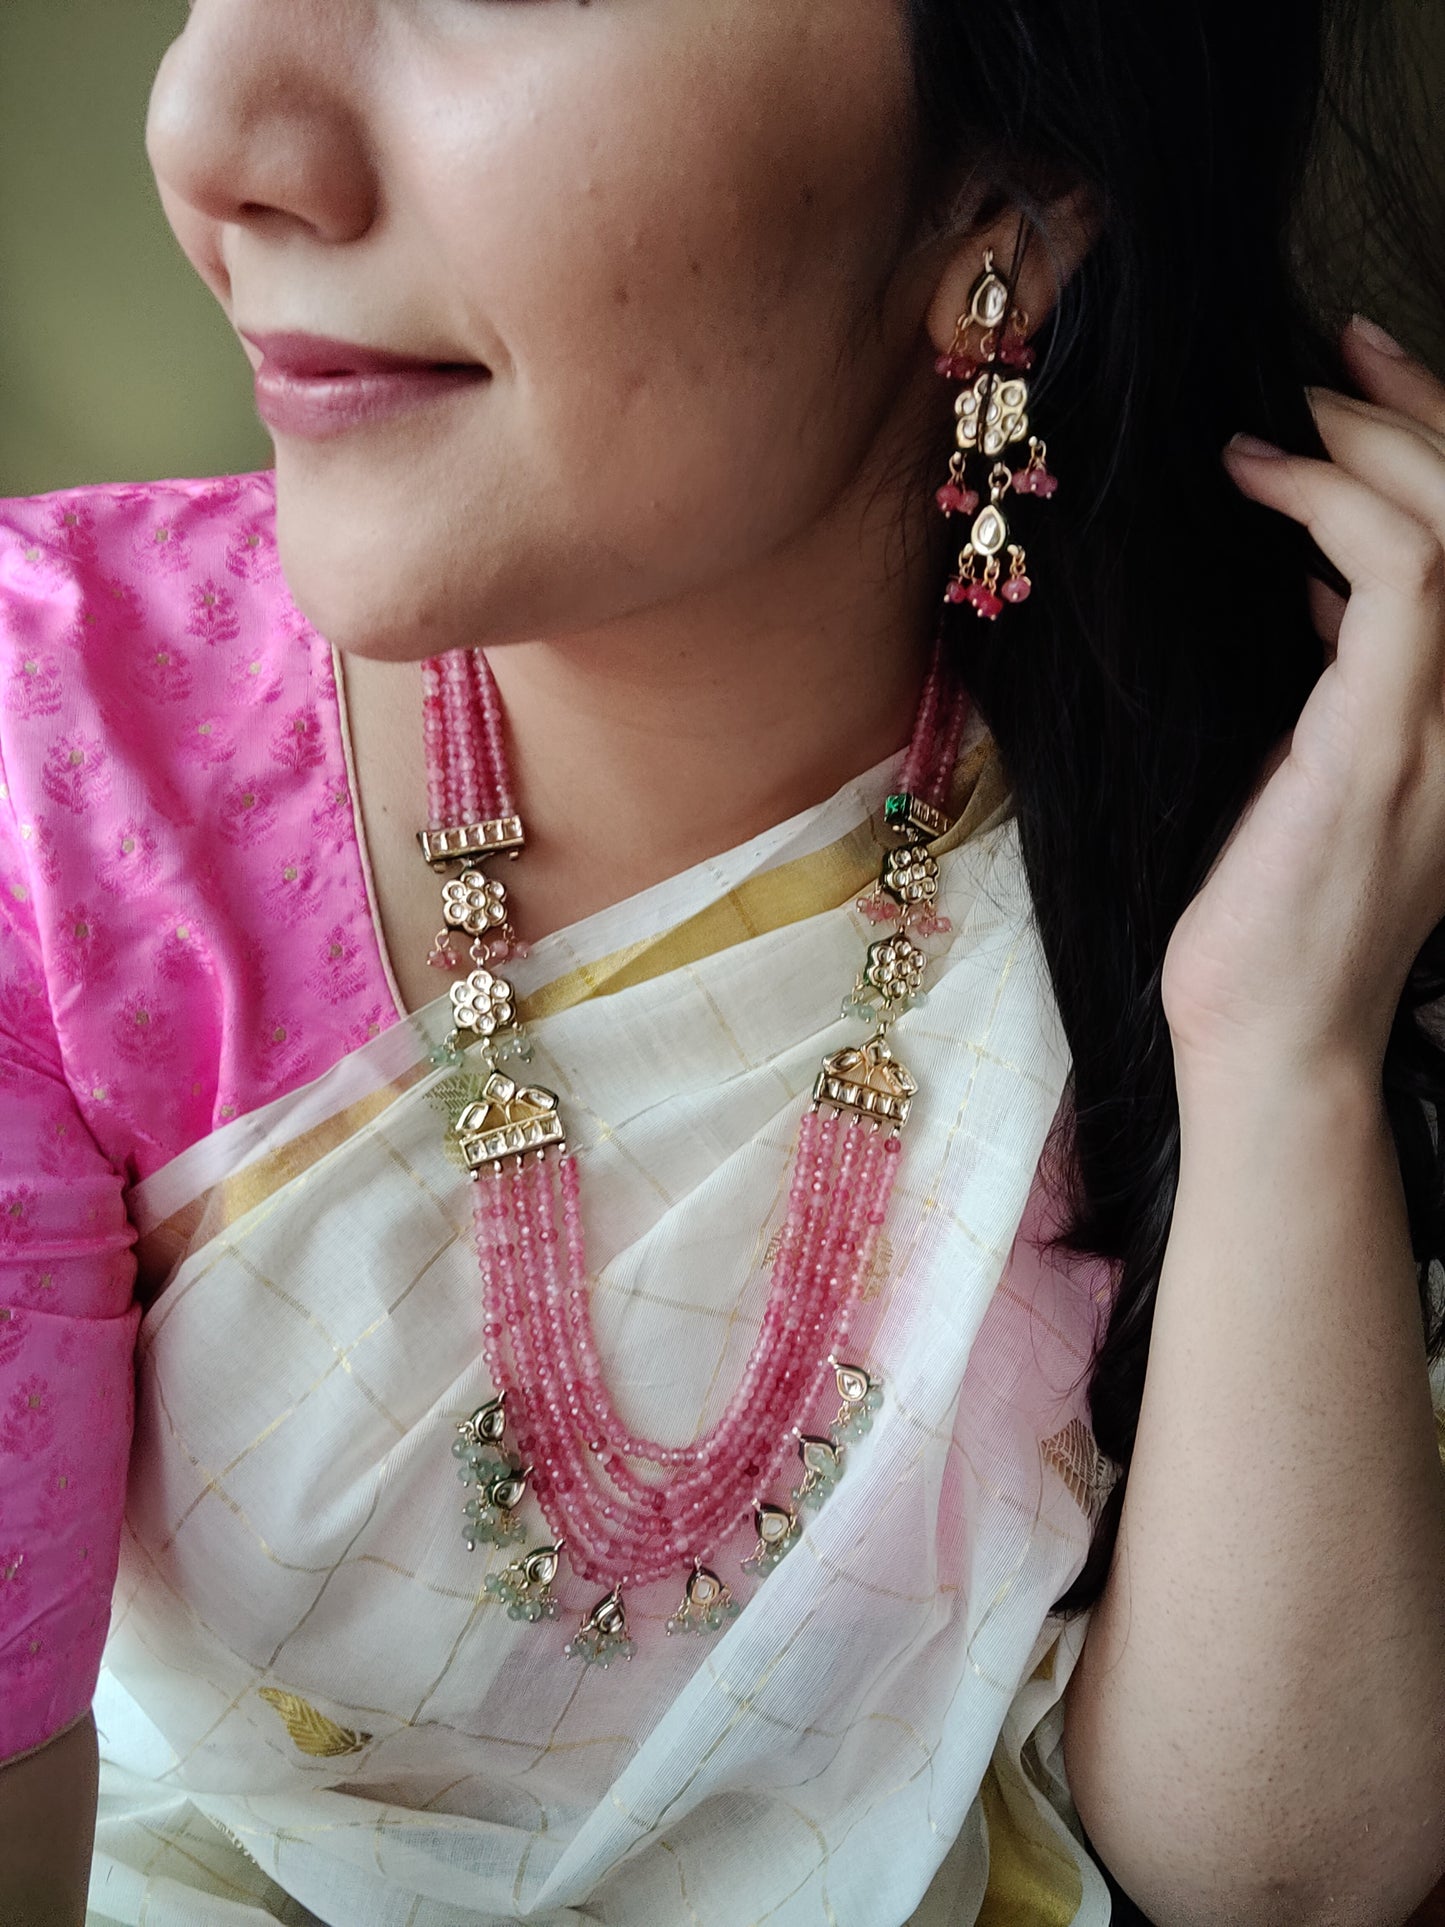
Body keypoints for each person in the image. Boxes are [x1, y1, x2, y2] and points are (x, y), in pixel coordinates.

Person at [2, 2, 1443, 1922]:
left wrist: (1282, 1047)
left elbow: (1283, 1875)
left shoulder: (1293, 767)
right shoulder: (59, 786)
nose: (213, 133)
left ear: (1001, 199)